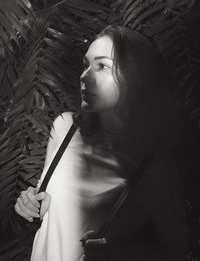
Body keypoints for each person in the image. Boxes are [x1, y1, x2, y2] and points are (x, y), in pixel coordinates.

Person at [15, 25, 189, 261]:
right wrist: (32, 202)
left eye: (102, 66)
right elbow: (46, 201)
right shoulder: (65, 127)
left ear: (134, 76)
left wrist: (115, 254)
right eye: (86, 65)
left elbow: (178, 250)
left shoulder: (152, 163)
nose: (84, 76)